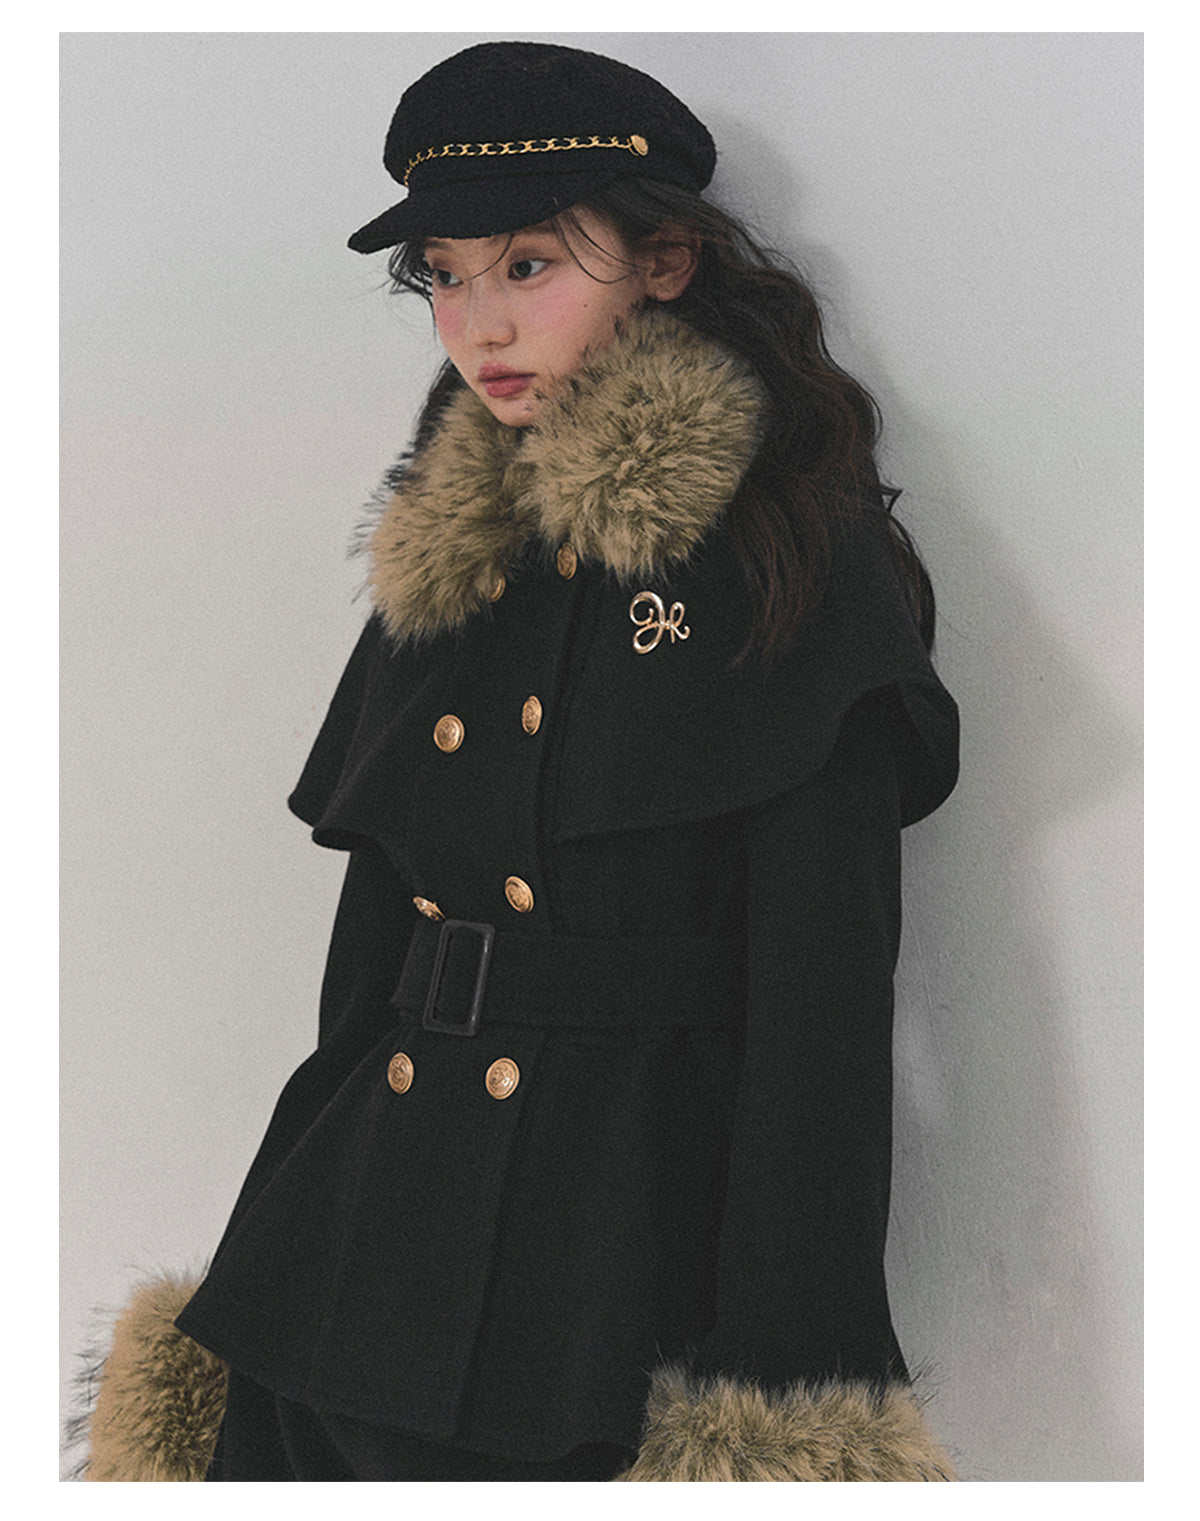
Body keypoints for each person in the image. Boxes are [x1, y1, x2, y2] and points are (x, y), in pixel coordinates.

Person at [84, 40, 960, 1482]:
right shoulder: (453, 548)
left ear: (665, 260)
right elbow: (374, 947)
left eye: (530, 265)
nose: (478, 323)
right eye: (443, 275)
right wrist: (282, 1223)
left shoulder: (790, 560)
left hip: (609, 1248)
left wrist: (787, 1386)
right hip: (356, 1227)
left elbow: (824, 1018)